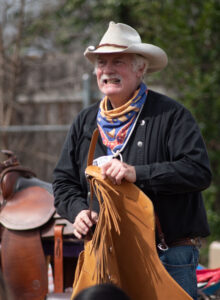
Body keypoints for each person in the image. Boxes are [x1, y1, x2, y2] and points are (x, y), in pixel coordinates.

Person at [53, 21, 212, 300]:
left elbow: (198, 171)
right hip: (105, 256)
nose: (107, 70)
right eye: (102, 63)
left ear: (141, 69)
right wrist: (78, 211)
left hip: (169, 255)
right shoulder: (85, 121)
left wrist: (136, 173)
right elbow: (63, 181)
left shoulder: (171, 116)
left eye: (118, 61)